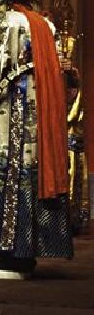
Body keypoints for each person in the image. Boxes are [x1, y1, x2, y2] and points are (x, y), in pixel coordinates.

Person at [0, 0, 73, 279]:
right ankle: (31, 250)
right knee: (32, 172)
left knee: (9, 174)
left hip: (11, 107)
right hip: (39, 109)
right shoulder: (45, 25)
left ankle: (11, 252)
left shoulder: (7, 23)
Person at [65, 68, 89, 234]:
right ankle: (70, 219)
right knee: (71, 181)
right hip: (68, 146)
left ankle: (75, 220)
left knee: (77, 181)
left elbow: (71, 118)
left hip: (75, 146)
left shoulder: (79, 100)